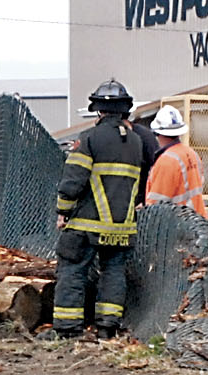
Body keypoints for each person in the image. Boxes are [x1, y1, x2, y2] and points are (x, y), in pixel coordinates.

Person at [53, 79, 143, 339]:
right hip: (122, 226)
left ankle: (68, 330)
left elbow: (73, 182)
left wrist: (64, 211)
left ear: (99, 110)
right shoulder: (136, 142)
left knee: (72, 269)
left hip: (87, 225)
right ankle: (107, 327)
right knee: (114, 272)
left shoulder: (89, 139)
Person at [143, 104, 207, 217]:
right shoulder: (192, 154)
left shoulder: (166, 161)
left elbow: (156, 204)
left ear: (158, 133)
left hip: (177, 224)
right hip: (197, 221)